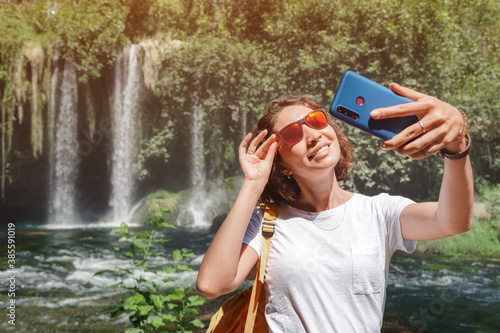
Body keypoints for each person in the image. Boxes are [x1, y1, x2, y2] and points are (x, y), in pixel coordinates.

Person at [196, 82, 473, 332]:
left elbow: (453, 222)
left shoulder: (379, 212)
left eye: (316, 120)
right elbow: (212, 284)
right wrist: (254, 184)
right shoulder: (268, 221)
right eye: (292, 134)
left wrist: (457, 145)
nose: (313, 135)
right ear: (281, 165)